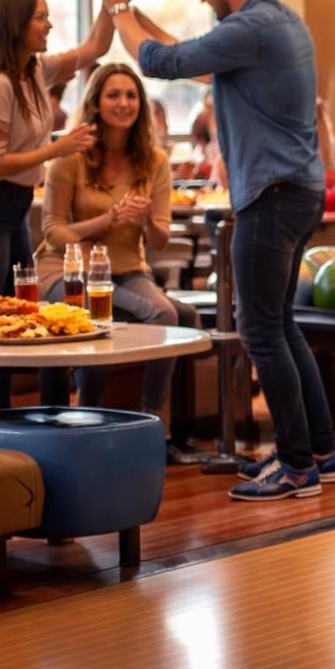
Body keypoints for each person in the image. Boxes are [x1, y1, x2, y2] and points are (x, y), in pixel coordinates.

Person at [104, 0, 335, 502]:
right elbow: (194, 54)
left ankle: (294, 466)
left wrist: (116, 9)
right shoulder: (280, 22)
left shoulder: (249, 29)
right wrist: (132, 12)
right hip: (298, 191)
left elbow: (161, 60)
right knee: (281, 326)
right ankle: (321, 452)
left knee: (260, 329)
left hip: (271, 194)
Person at [0, 0, 108, 415]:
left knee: (20, 322)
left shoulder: (33, 71)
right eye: (40, 16)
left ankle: (10, 426)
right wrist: (59, 147)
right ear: (15, 25)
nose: (49, 24)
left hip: (10, 210)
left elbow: (97, 45)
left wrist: (113, 2)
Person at [33, 63, 201, 464]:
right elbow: (53, 231)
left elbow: (161, 239)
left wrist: (144, 218)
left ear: (140, 105)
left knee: (178, 315)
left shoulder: (154, 161)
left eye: (131, 96)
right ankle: (88, 416)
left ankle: (154, 424)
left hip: (126, 269)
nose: (123, 103)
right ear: (95, 102)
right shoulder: (69, 157)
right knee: (128, 313)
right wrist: (107, 220)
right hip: (66, 271)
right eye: (114, 95)